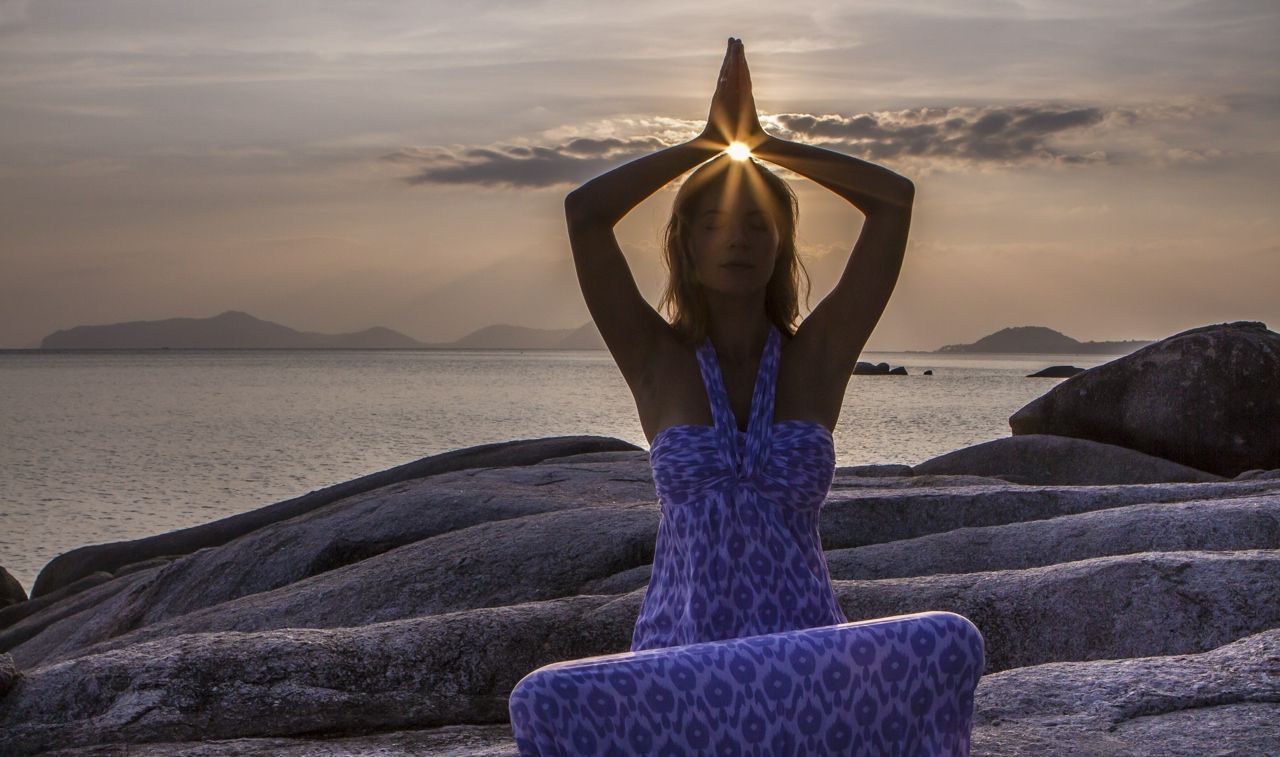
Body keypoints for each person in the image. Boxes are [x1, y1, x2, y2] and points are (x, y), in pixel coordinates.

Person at [564, 38, 915, 651]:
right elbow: (584, 213)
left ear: (781, 246)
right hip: (681, 665)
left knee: (949, 645)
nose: (738, 241)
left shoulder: (817, 358)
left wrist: (763, 142)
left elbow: (894, 203)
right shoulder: (656, 360)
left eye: (758, 226)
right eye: (716, 226)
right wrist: (708, 143)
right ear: (687, 247)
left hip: (804, 664)